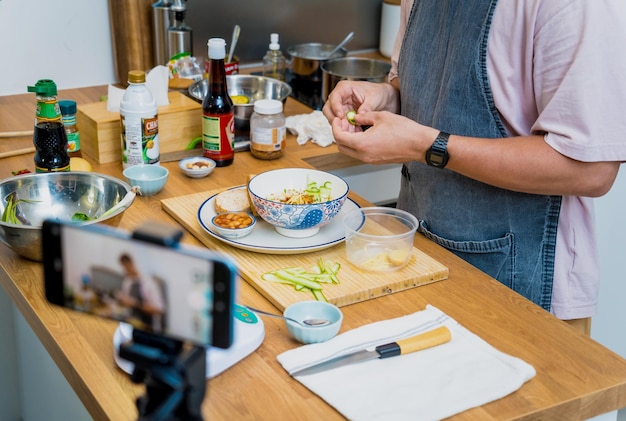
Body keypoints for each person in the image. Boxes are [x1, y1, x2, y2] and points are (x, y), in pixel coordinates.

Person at [323, 0, 626, 334]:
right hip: (417, 260)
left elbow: (590, 170)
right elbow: (428, 92)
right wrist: (386, 97)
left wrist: (427, 146)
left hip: (521, 285)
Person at [116, 253, 166, 332]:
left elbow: (159, 310)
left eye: (126, 267)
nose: (125, 270)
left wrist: (136, 304)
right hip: (132, 323)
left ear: (131, 264)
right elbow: (126, 302)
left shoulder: (149, 283)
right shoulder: (128, 281)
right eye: (123, 267)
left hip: (149, 327)